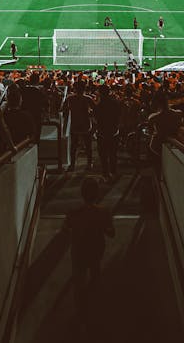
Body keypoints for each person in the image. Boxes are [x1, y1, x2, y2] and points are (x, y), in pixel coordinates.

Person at [63, 177, 115, 324]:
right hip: (96, 250)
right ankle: (96, 310)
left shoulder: (73, 213)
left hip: (79, 251)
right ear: (97, 194)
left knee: (79, 281)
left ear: (82, 194)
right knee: (95, 272)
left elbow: (65, 230)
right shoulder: (104, 212)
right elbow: (111, 233)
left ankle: (81, 314)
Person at [64, 81, 95, 171]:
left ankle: (72, 165)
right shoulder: (88, 98)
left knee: (74, 146)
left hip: (75, 124)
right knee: (88, 145)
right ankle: (89, 163)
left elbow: (64, 109)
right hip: (85, 124)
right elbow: (96, 110)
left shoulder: (70, 98)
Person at [93, 85, 122, 178]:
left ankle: (106, 174)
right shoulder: (115, 103)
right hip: (113, 131)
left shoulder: (99, 105)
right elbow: (119, 116)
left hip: (102, 133)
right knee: (113, 154)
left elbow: (96, 119)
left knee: (104, 156)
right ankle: (113, 172)